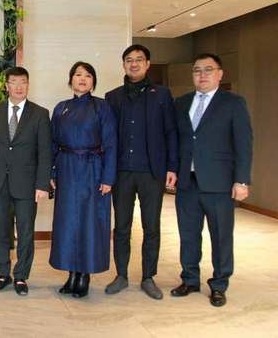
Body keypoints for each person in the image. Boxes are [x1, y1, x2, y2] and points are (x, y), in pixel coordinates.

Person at [171, 53, 253, 307]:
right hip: (187, 182)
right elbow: (176, 141)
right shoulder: (182, 103)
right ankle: (190, 279)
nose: (202, 75)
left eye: (208, 70)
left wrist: (241, 180)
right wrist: (172, 170)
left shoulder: (234, 103)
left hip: (219, 183)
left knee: (221, 237)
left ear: (220, 73)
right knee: (188, 235)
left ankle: (219, 284)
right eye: (197, 71)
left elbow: (244, 143)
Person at [104, 44, 178, 300]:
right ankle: (121, 274)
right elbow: (108, 137)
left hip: (152, 172)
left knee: (151, 227)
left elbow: (171, 132)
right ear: (123, 65)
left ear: (148, 64)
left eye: (139, 60)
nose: (133, 64)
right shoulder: (112, 97)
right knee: (121, 227)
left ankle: (149, 277)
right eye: (129, 60)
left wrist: (172, 167)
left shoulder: (162, 94)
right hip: (122, 172)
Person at [0, 67, 51, 296]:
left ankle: (21, 276)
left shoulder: (40, 113)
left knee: (26, 231)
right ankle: (2, 273)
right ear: (6, 85)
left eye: (23, 81)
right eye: (14, 81)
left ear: (28, 85)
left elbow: (45, 152)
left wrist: (42, 184)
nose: (18, 86)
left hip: (28, 183)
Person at [49, 62, 117, 298]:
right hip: (67, 169)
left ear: (93, 82)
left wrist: (108, 177)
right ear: (71, 80)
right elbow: (52, 144)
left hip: (92, 169)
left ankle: (84, 275)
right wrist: (51, 172)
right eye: (78, 74)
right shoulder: (61, 108)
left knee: (90, 222)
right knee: (68, 222)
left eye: (88, 75)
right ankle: (71, 274)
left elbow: (110, 143)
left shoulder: (102, 107)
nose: (82, 79)